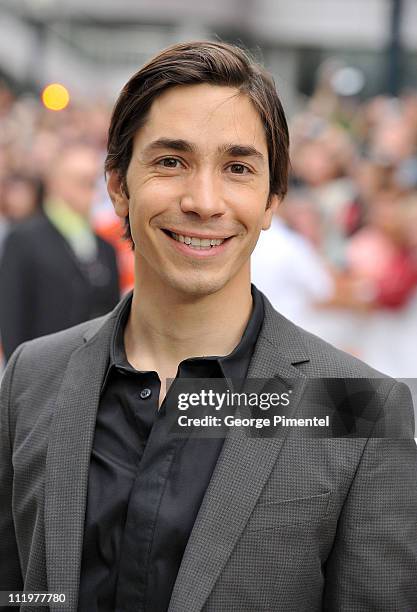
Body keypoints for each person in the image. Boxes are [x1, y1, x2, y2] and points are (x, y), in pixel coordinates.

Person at [0, 41, 416, 612]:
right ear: (119, 184)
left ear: (272, 199)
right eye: (171, 161)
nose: (203, 200)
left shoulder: (359, 407)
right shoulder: (31, 377)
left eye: (238, 168)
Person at [0, 144, 120, 360]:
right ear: (55, 183)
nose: (91, 190)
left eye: (93, 181)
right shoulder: (24, 239)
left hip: (92, 373)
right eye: (81, 181)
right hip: (42, 370)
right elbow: (12, 317)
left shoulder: (105, 248)